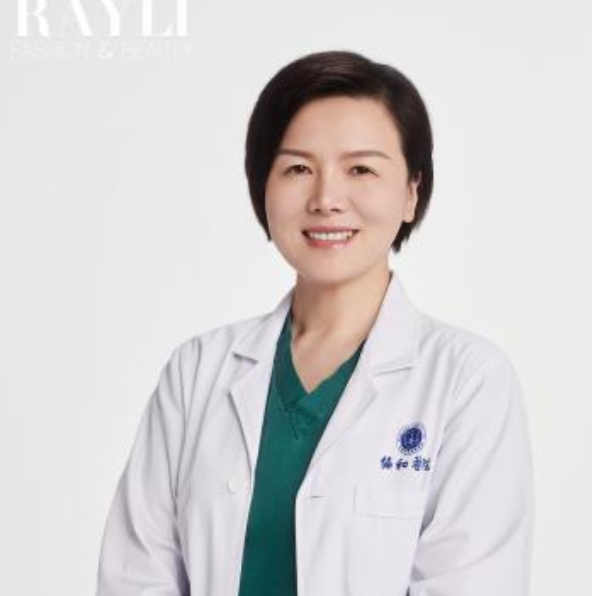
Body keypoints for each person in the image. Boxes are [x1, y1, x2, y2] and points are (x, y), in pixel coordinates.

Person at [95, 50, 534, 596]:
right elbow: (135, 578)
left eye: (361, 169)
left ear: (411, 192)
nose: (326, 199)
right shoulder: (197, 372)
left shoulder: (468, 380)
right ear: (263, 186)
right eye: (298, 168)